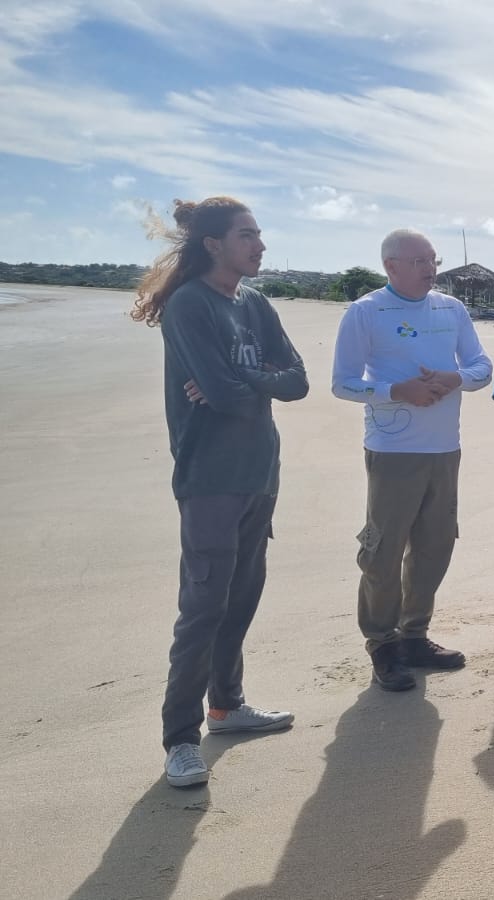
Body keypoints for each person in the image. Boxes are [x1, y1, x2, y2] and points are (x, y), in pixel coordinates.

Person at [132, 196, 308, 787]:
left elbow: (298, 381)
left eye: (258, 234)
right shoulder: (189, 304)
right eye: (246, 235)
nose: (260, 245)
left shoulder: (254, 303)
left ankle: (227, 707)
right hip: (208, 478)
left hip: (260, 471)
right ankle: (181, 739)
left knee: (241, 599)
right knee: (203, 608)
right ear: (213, 244)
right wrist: (253, 385)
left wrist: (244, 382)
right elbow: (223, 393)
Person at [331, 229, 492, 691]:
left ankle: (415, 634)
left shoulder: (451, 308)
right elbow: (342, 383)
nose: (430, 269)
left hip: (444, 448)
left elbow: (482, 367)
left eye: (432, 260)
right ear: (391, 266)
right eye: (419, 261)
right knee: (382, 551)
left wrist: (455, 378)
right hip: (393, 451)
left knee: (434, 546)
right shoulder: (366, 311)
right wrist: (396, 391)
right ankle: (382, 643)